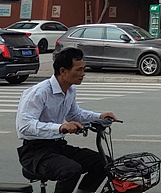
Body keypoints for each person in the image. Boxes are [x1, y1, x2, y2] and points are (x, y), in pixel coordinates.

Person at [16, 47, 117, 193]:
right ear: (63, 71)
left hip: (57, 146)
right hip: (35, 152)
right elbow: (24, 126)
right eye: (79, 70)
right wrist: (60, 128)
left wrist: (99, 117)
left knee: (103, 163)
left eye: (84, 69)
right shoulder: (39, 92)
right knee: (71, 170)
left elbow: (75, 115)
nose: (83, 74)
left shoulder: (70, 89)